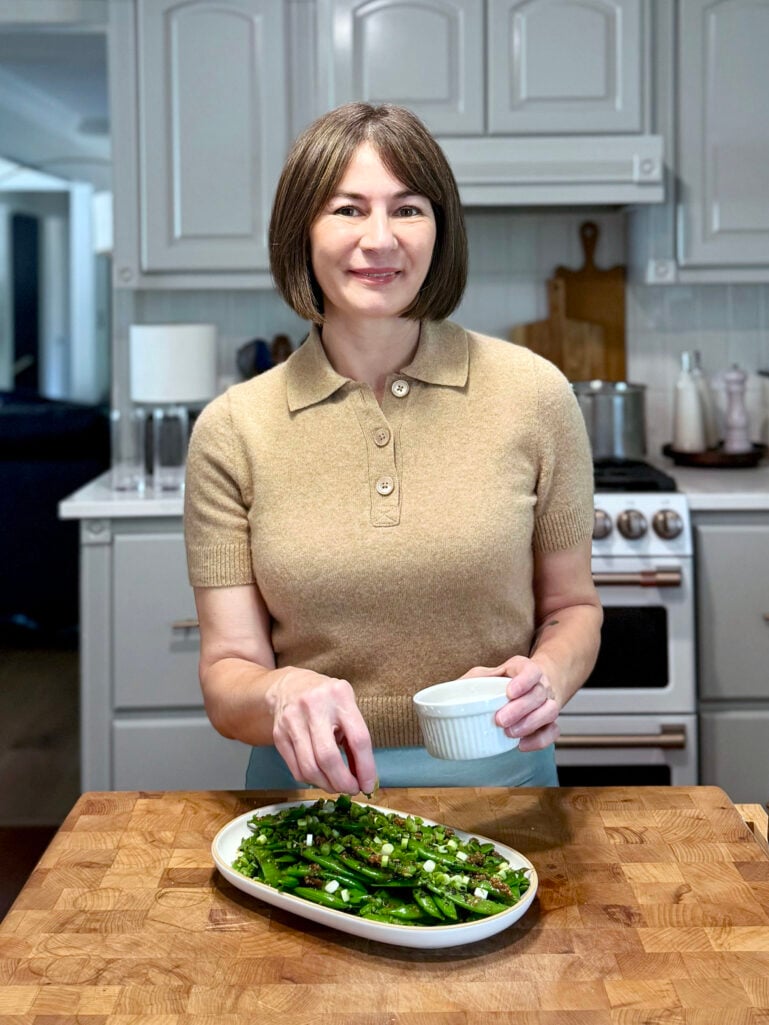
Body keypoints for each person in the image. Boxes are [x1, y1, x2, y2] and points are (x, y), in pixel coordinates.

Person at [183, 102, 602, 796]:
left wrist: (546, 676)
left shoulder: (534, 395)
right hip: (306, 810)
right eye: (347, 209)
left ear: (440, 230)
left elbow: (572, 608)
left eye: (407, 209)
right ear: (301, 232)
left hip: (504, 797)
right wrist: (280, 691)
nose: (379, 240)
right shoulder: (233, 429)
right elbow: (228, 674)